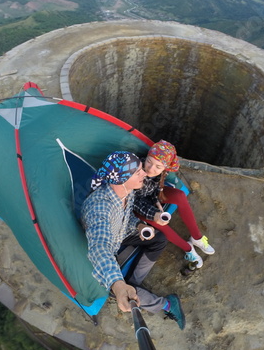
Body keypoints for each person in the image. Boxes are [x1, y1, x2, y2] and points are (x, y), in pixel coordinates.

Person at [81, 151, 185, 329]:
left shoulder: (126, 191)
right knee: (121, 292)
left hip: (119, 234)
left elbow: (125, 218)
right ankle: (166, 304)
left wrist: (139, 227)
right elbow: (100, 249)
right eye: (138, 172)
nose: (144, 173)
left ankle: (134, 283)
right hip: (105, 246)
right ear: (122, 179)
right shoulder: (100, 208)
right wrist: (118, 285)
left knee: (158, 239)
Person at [134, 140, 215, 268]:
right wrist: (154, 213)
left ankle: (197, 238)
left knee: (179, 195)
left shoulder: (161, 173)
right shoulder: (136, 169)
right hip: (137, 206)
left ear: (165, 168)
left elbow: (155, 188)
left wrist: (156, 202)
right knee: (158, 223)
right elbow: (134, 201)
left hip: (151, 195)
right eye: (149, 161)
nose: (150, 168)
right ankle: (188, 248)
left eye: (158, 167)